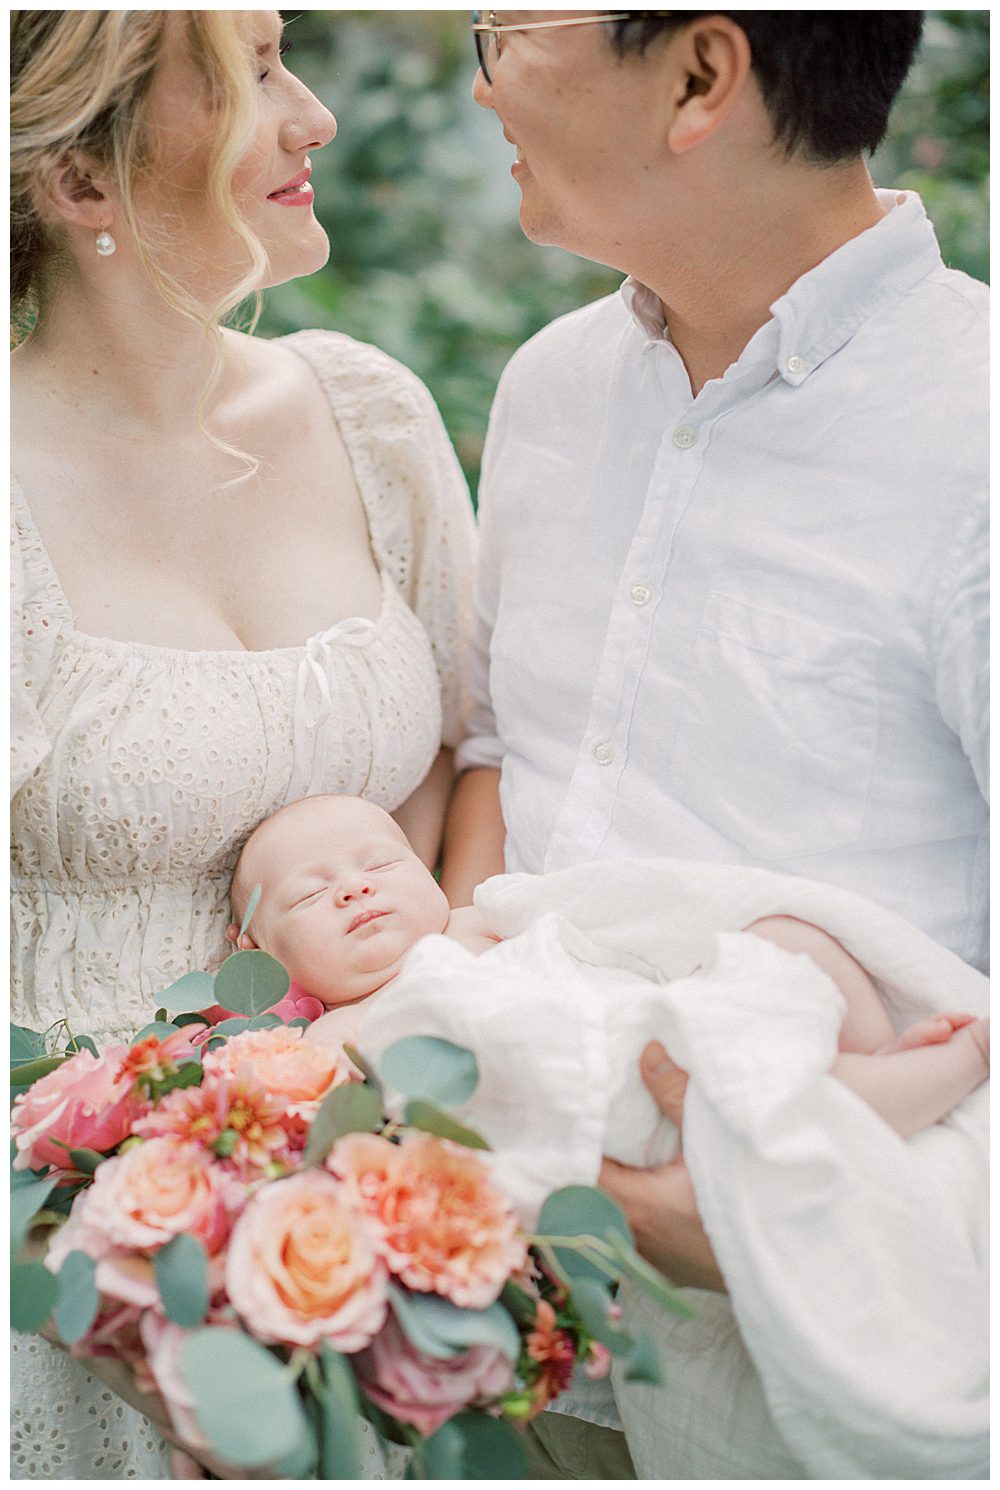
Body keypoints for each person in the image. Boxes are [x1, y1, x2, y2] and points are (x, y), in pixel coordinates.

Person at [450, 9, 988, 1479]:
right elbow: (504, 741)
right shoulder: (551, 387)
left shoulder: (978, 434)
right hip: (498, 1333)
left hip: (806, 1371)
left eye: (508, 28)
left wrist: (740, 1208)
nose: (482, 72)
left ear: (700, 73)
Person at [10, 10, 476, 1480]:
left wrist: (419, 1126)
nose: (314, 113)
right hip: (57, 1276)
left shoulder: (370, 417)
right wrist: (139, 1254)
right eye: (250, 73)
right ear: (78, 182)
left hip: (373, 1236)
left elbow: (466, 774)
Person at [230, 792, 989, 1161]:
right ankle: (935, 1076)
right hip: (608, 1081)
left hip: (653, 1004)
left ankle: (866, 1050)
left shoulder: (485, 917)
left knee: (784, 935)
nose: (355, 890)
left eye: (379, 864)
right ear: (254, 954)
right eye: (310, 892)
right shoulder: (339, 1032)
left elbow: (626, 914)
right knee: (739, 1103)